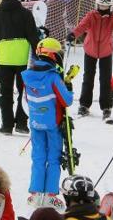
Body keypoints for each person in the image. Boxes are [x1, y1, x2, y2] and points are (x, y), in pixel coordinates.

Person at [23, 38, 74, 208]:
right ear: (53, 55)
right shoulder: (53, 77)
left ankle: (36, 193)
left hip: (36, 123)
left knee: (38, 157)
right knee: (53, 158)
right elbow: (66, 100)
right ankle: (51, 194)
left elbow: (27, 99)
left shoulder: (27, 75)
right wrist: (69, 89)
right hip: (53, 125)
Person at [0, 0, 39, 135]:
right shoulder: (26, 14)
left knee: (6, 93)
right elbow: (33, 36)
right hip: (22, 59)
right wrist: (40, 54)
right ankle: (21, 123)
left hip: (4, 58)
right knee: (23, 92)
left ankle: (7, 125)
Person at [71, 0, 113, 121]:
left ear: (110, 7)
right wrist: (73, 34)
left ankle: (106, 106)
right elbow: (81, 26)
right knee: (88, 77)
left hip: (106, 51)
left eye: (106, 7)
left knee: (105, 80)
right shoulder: (91, 16)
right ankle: (84, 104)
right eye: (101, 6)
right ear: (97, 4)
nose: (103, 9)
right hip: (90, 50)